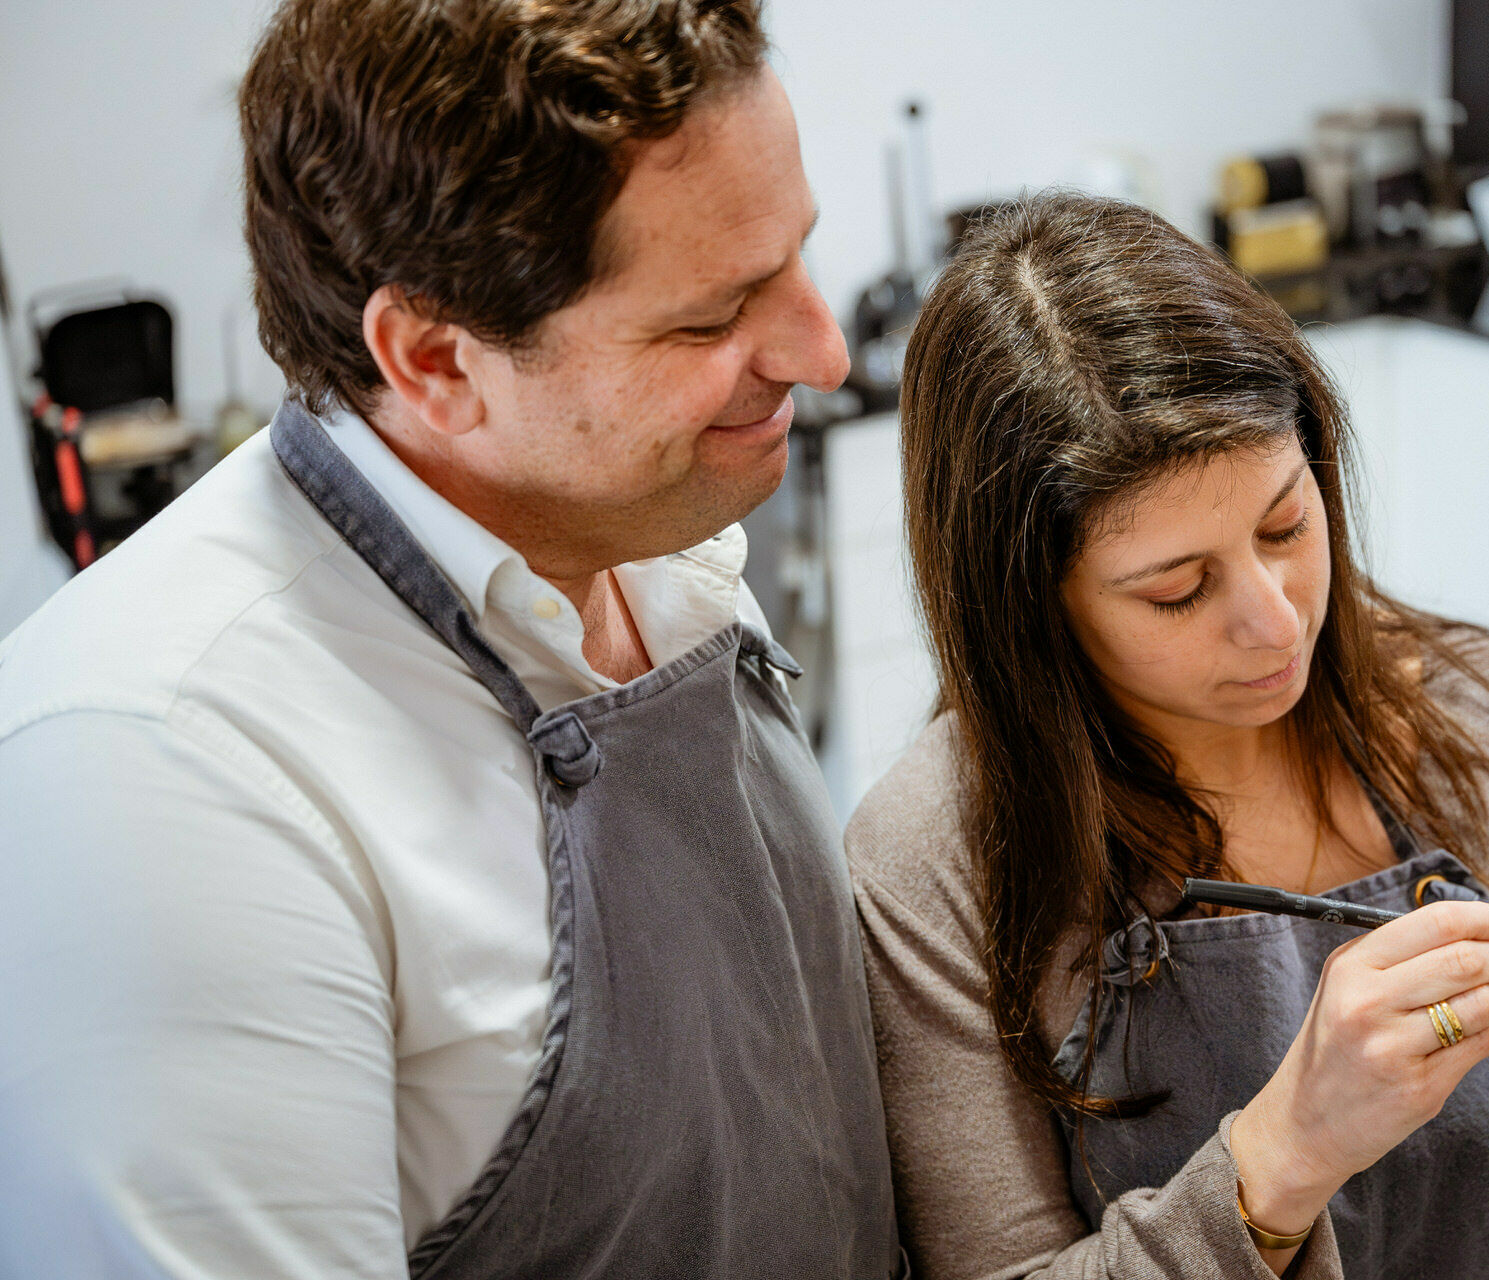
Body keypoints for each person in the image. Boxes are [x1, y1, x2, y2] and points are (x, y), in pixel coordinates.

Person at [0, 3, 901, 1277]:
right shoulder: (161, 778)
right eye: (712, 317)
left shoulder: (641, 523)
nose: (824, 350)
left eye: (797, 253)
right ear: (434, 359)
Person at [846, 192, 1489, 1280]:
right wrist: (1286, 1153)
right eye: (1176, 590)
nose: (1275, 622)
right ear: (1030, 607)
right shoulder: (930, 857)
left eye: (1285, 525)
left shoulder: (1484, 711)